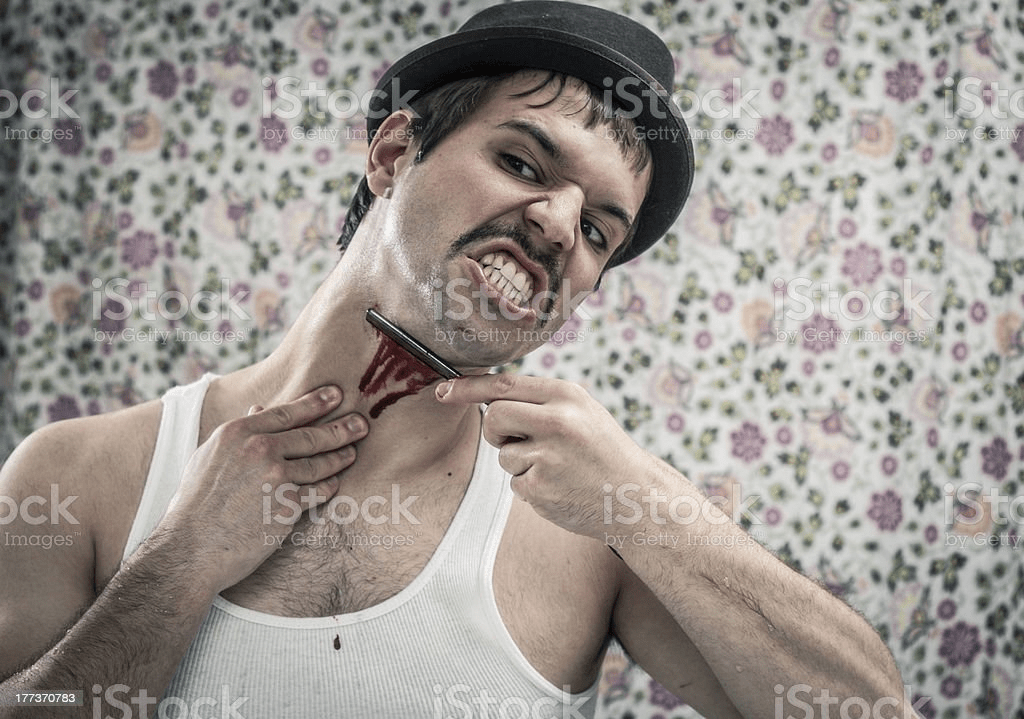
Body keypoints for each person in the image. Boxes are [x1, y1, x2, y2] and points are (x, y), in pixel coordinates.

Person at [0, 2, 916, 717]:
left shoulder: (595, 530)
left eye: (599, 230)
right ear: (395, 151)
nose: (559, 227)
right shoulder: (78, 475)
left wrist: (649, 504)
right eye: (523, 164)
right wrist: (178, 562)